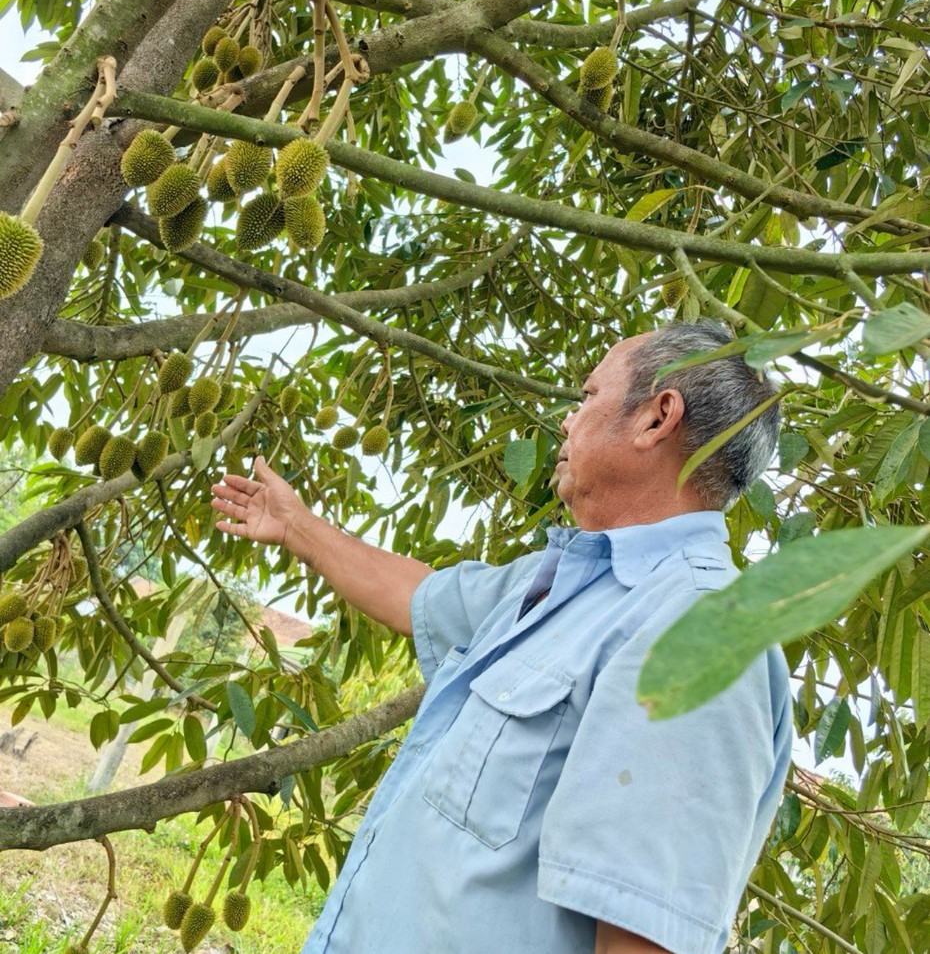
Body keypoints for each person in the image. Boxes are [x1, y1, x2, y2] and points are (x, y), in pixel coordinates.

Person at [211, 320, 793, 954]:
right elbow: (420, 598)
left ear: (656, 419)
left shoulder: (696, 636)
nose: (568, 423)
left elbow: (642, 938)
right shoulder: (556, 583)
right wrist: (296, 525)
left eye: (588, 396)